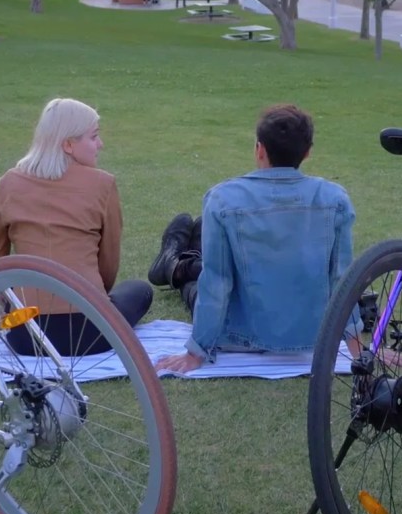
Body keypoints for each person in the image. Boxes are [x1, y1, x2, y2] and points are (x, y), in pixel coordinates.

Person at [148, 104, 359, 374]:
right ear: (308, 152)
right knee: (208, 238)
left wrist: (195, 352)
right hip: (310, 336)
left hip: (238, 336)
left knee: (195, 285)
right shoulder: (335, 199)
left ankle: (174, 264)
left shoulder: (222, 198)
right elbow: (343, 279)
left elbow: (216, 282)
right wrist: (360, 352)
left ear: (259, 149)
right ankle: (179, 255)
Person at [0, 98, 152, 357]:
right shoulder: (103, 184)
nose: (100, 145)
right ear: (68, 144)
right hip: (91, 333)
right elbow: (108, 262)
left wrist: (8, 310)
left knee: (13, 313)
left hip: (24, 336)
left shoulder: (9, 183)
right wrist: (96, 298)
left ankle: (7, 320)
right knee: (140, 290)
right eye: (94, 137)